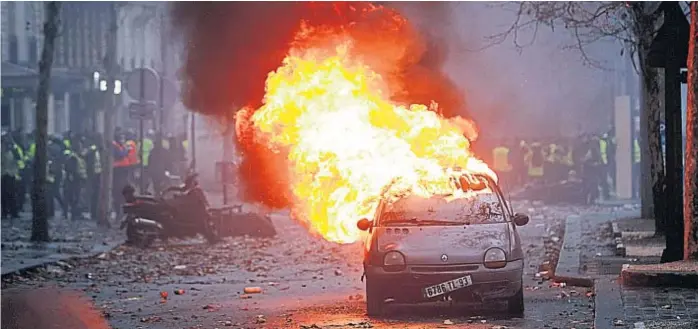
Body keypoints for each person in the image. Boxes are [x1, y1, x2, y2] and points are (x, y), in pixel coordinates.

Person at [63, 140, 88, 220]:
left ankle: (73, 214)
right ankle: (72, 215)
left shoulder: (77, 156)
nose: (81, 148)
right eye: (80, 147)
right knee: (74, 198)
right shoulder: (73, 157)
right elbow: (71, 169)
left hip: (76, 180)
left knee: (75, 198)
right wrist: (74, 178)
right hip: (74, 181)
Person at [2, 135, 20, 219]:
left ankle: (13, 212)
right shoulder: (4, 151)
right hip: (4, 175)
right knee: (4, 195)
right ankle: (5, 212)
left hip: (10, 175)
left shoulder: (13, 151)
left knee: (11, 195)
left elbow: (18, 159)